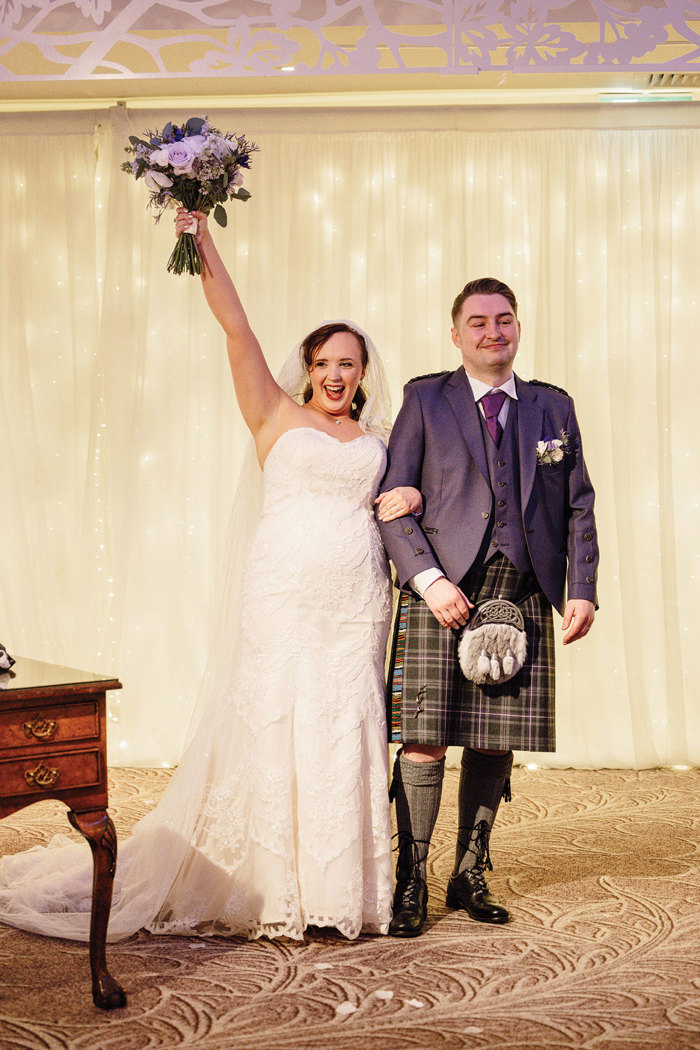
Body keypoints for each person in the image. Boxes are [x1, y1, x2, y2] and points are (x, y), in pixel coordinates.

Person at [0, 211, 421, 943]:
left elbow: (416, 494)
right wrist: (201, 241)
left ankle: (337, 891)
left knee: (343, 728)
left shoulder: (382, 439)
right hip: (283, 597)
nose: (335, 374)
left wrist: (410, 492)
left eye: (348, 363)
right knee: (277, 723)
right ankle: (272, 888)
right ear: (308, 366)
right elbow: (238, 329)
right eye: (324, 361)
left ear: (363, 372)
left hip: (356, 604)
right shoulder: (273, 413)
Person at [377, 277, 598, 937]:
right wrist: (428, 581)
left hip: (522, 589)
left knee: (496, 738)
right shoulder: (425, 399)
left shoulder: (552, 408)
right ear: (456, 333)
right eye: (478, 322)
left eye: (504, 321)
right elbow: (393, 502)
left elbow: (578, 501)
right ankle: (410, 877)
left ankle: (468, 871)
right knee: (423, 738)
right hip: (444, 589)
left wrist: (581, 586)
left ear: (518, 329)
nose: (492, 333)